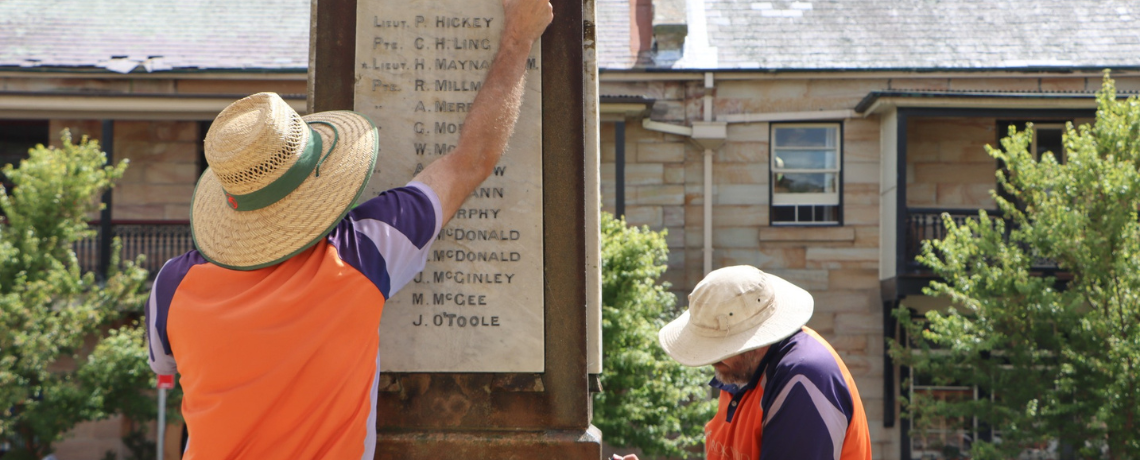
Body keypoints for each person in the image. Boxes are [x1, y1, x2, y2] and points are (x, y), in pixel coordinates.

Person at [144, 0, 551, 458]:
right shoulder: (363, 250)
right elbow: (469, 164)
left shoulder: (171, 285)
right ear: (319, 172)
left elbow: (166, 366)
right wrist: (518, 40)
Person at [616, 265, 872, 460]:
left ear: (755, 339)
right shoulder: (737, 370)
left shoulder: (804, 378)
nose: (712, 359)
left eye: (719, 346)